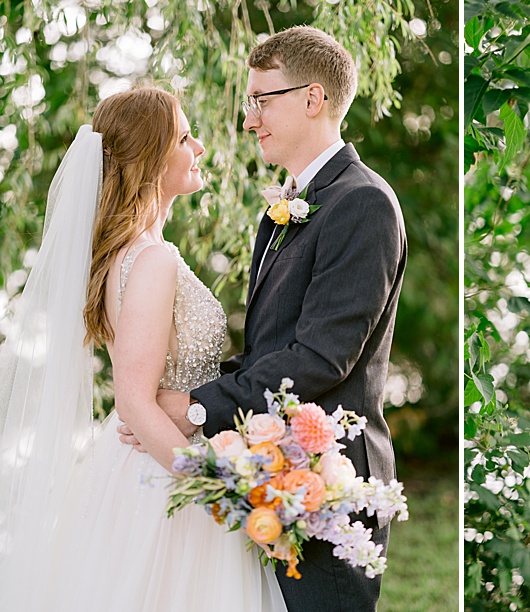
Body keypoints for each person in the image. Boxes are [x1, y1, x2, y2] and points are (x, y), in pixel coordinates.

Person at [117, 26, 407, 611]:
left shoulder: (364, 202)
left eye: (261, 100)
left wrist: (196, 405)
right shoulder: (279, 213)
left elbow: (322, 358)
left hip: (331, 486)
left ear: (312, 99)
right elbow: (269, 350)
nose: (250, 120)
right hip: (268, 475)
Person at [0, 86, 286, 610]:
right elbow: (134, 400)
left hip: (142, 461)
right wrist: (218, 492)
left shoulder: (129, 255)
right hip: (163, 474)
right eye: (183, 136)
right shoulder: (151, 260)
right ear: (152, 158)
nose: (198, 147)